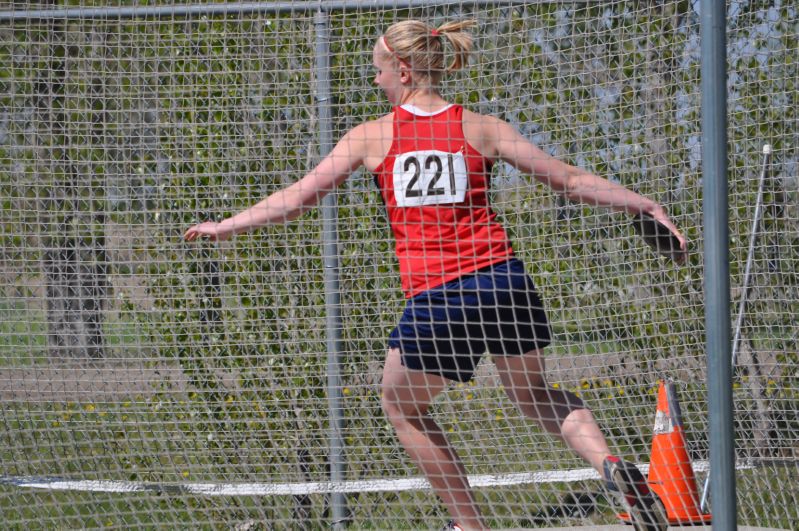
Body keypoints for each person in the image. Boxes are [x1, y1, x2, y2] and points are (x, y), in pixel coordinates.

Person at [184, 19, 684, 531]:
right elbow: (570, 181)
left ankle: (468, 525)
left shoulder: (372, 136)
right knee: (534, 395)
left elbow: (297, 199)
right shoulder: (483, 127)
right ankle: (609, 463)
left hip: (442, 295)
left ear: (402, 70)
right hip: (504, 280)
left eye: (377, 71)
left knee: (400, 405)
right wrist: (642, 203)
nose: (374, 80)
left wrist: (227, 225)